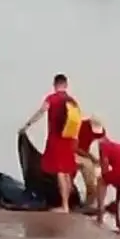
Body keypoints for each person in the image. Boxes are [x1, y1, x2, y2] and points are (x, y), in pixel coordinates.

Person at [19, 73, 81, 213]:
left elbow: (41, 111)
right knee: (67, 171)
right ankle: (69, 203)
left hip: (56, 139)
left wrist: (27, 125)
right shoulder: (72, 101)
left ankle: (64, 206)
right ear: (66, 85)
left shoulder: (52, 99)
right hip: (69, 139)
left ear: (54, 85)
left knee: (59, 171)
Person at [75, 115, 106, 207]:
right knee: (87, 166)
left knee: (95, 174)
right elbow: (75, 147)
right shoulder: (80, 126)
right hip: (73, 151)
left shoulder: (101, 132)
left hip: (85, 154)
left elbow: (102, 146)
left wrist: (100, 160)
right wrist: (91, 157)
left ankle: (91, 202)